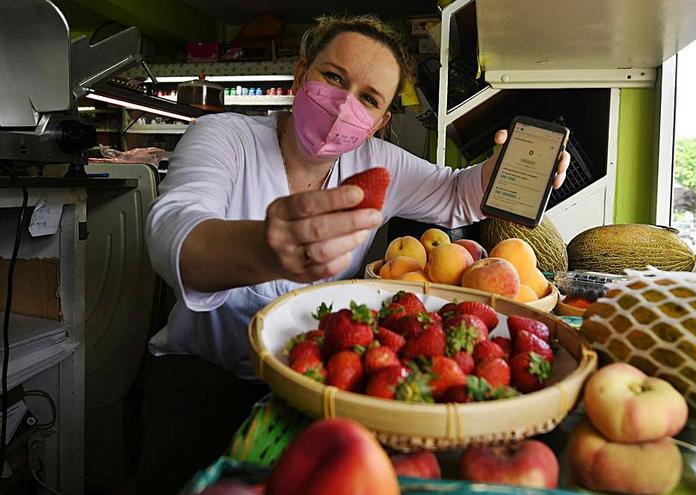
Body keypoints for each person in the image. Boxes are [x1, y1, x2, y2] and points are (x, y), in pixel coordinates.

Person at [137, 15, 569, 493]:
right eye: (333, 78)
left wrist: (501, 174)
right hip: (203, 375)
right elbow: (171, 228)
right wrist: (266, 246)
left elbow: (454, 193)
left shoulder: (377, 165)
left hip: (316, 383)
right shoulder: (226, 137)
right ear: (301, 74)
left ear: (381, 121)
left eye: (367, 98)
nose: (344, 104)